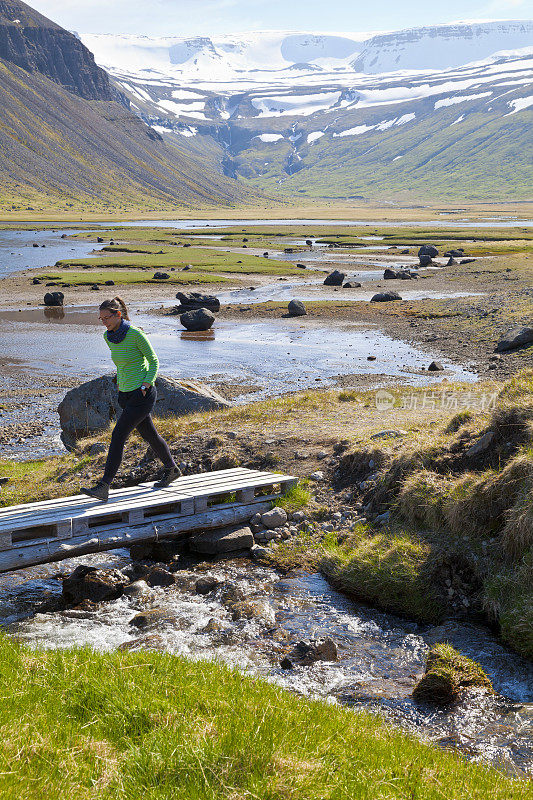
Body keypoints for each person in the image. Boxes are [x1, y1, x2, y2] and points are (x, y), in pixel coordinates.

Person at [81, 297, 180, 502]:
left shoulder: (135, 334)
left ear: (118, 315)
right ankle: (172, 469)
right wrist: (120, 381)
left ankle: (104, 486)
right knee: (150, 435)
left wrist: (146, 384)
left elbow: (153, 361)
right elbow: (122, 363)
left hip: (142, 395)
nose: (104, 322)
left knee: (118, 436)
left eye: (107, 317)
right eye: (101, 319)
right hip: (124, 394)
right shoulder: (107, 337)